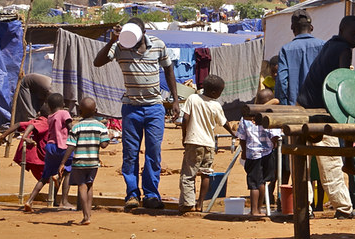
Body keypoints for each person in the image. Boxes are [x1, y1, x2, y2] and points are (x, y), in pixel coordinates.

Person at [94, 17, 180, 211]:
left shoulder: (158, 45)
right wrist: (111, 41)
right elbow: (97, 63)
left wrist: (175, 100)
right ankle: (132, 195)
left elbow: (169, 70)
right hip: (131, 108)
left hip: (155, 108)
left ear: (143, 34)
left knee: (153, 153)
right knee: (130, 154)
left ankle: (151, 194)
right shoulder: (120, 46)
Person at [297, 15, 355, 219]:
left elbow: (353, 38)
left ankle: (304, 207)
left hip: (303, 104)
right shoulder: (344, 50)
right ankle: (344, 208)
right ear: (344, 31)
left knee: (302, 161)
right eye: (354, 34)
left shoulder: (332, 43)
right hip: (319, 112)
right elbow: (343, 84)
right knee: (330, 163)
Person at [178, 74, 231, 212]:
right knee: (206, 174)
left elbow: (185, 119)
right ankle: (200, 204)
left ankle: (188, 203)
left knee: (188, 174)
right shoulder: (216, 105)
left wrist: (184, 136)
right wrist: (234, 133)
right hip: (208, 144)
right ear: (214, 92)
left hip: (193, 141)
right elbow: (224, 123)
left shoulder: (193, 98)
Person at [58, 97, 110, 226]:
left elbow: (70, 146)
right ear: (96, 111)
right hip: (93, 162)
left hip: (79, 162)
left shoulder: (77, 127)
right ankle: (89, 213)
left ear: (80, 111)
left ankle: (86, 216)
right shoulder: (101, 126)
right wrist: (109, 137)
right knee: (89, 185)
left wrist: (63, 162)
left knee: (82, 186)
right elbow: (104, 145)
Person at [22, 92, 73, 212]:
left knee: (44, 177)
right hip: (63, 147)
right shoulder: (64, 113)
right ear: (63, 104)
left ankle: (29, 201)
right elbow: (70, 126)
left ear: (49, 107)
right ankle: (64, 201)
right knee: (68, 172)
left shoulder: (50, 116)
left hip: (50, 147)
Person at [235, 104, 281, 216]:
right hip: (267, 154)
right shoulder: (271, 117)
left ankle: (254, 210)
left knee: (255, 183)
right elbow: (275, 136)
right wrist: (274, 143)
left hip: (252, 154)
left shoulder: (245, 119)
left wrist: (244, 153)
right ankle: (258, 209)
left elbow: (242, 138)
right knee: (262, 182)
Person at [276, 11, 324, 107]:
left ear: (292, 28)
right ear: (311, 27)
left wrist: (284, 105)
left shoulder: (286, 49)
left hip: (295, 108)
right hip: (320, 107)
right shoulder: (324, 46)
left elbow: (282, 81)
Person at [0, 102, 50, 181]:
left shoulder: (35, 120)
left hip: (30, 158)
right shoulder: (44, 122)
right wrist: (25, 137)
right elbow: (32, 126)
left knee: (44, 180)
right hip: (38, 157)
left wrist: (3, 135)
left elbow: (18, 124)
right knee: (51, 177)